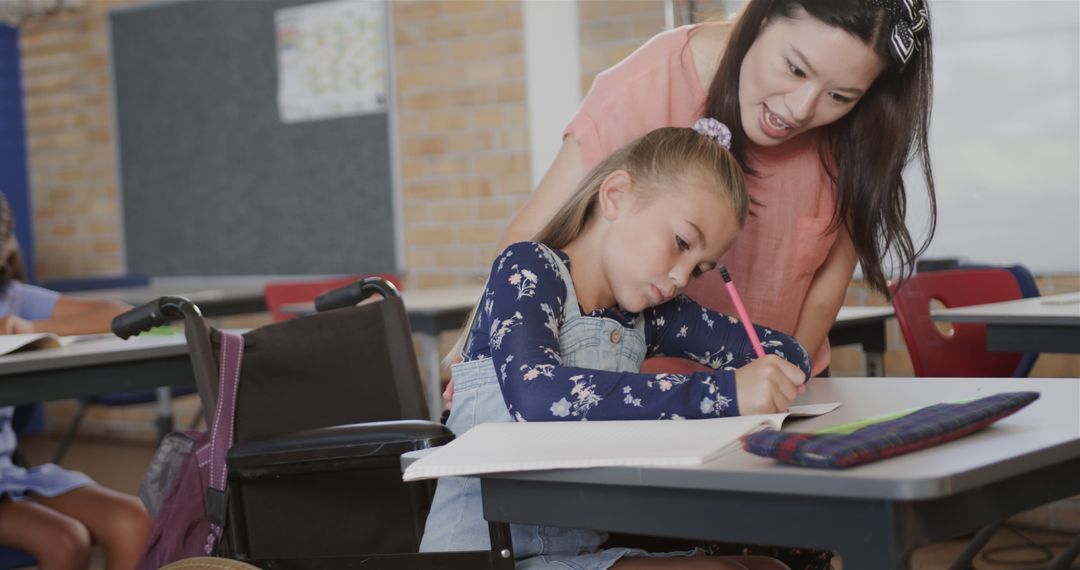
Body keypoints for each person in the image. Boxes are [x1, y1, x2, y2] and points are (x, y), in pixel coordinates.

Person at [421, 120, 810, 570]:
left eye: (701, 267)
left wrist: (766, 375)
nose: (683, 277)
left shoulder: (651, 314)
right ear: (616, 196)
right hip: (484, 557)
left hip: (576, 556)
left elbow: (786, 357)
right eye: (681, 242)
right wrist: (723, 394)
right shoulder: (527, 269)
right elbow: (537, 394)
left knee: (764, 568)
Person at [495, 0, 935, 379]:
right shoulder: (648, 85)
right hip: (613, 411)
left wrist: (782, 383)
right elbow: (528, 247)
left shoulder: (857, 135)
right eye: (795, 68)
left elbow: (825, 285)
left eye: (840, 96)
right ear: (760, 17)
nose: (800, 110)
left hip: (764, 412)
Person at [0, 193, 152, 570]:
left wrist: (33, 327)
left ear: (5, 252)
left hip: (9, 476)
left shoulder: (13, 300)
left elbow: (121, 316)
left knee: (132, 520)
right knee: (65, 540)